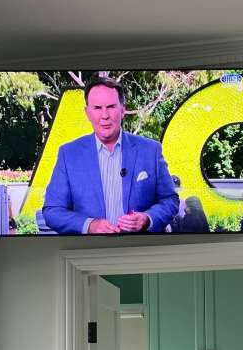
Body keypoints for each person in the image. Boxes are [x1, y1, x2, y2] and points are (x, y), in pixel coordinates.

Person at [42, 76, 179, 235]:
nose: (105, 115)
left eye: (111, 106)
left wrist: (147, 218)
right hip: (90, 252)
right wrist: (89, 225)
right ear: (87, 113)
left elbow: (170, 200)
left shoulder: (150, 150)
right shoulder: (69, 154)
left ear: (122, 110)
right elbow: (52, 211)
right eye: (97, 108)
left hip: (140, 250)